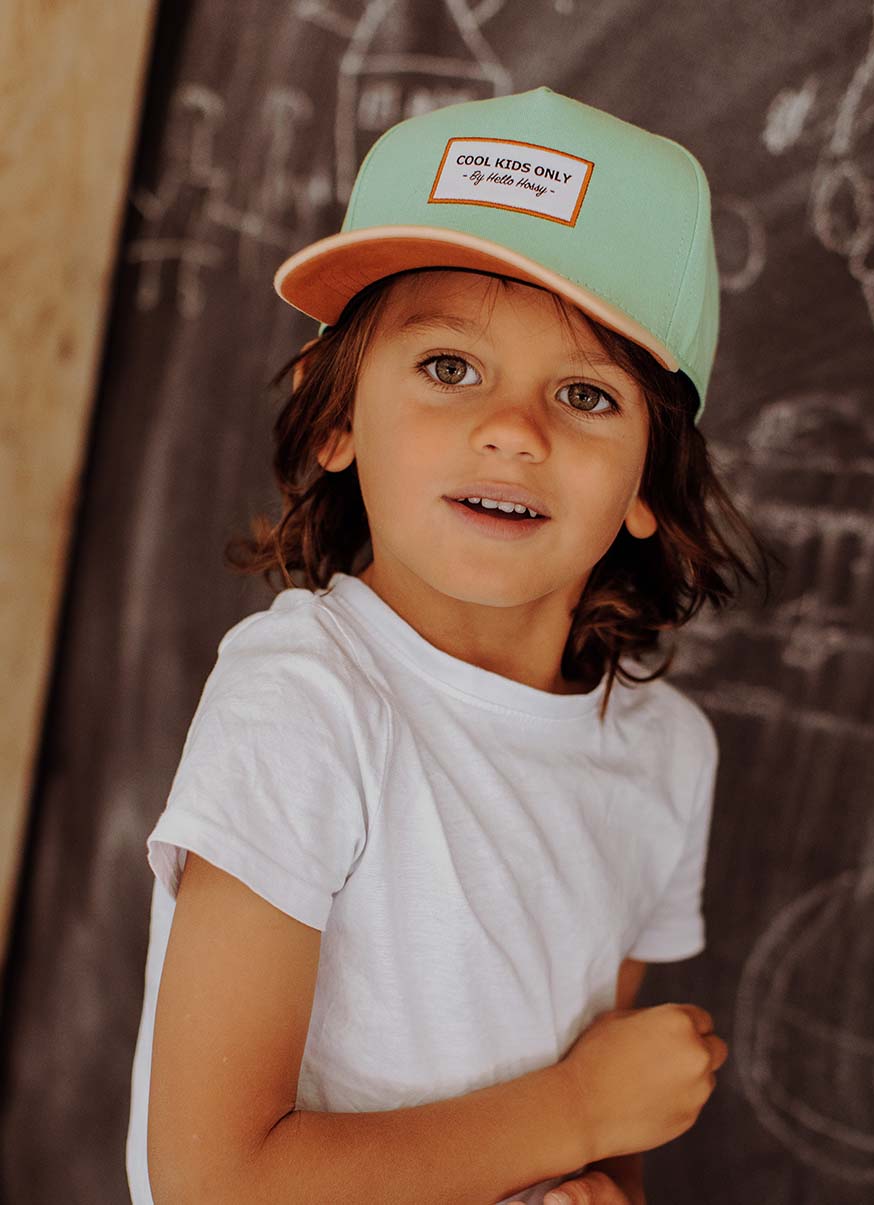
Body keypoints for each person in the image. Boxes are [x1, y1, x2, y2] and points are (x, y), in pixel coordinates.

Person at [126, 86, 778, 1205]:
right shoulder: (305, 700)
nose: (512, 430)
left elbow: (585, 1117)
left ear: (646, 485)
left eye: (584, 393)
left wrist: (594, 1174)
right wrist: (576, 1111)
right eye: (447, 367)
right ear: (333, 418)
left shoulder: (666, 753)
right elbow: (214, 1178)